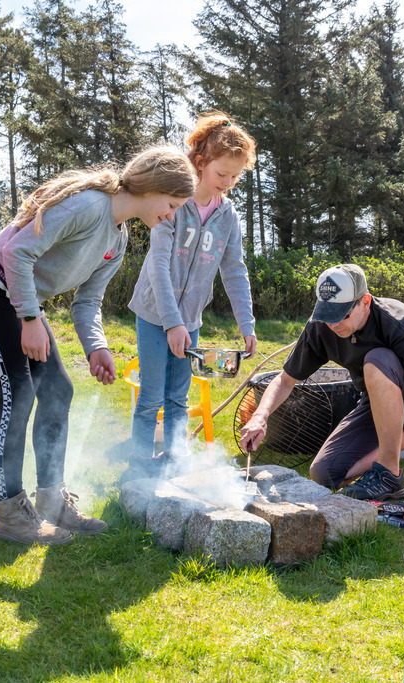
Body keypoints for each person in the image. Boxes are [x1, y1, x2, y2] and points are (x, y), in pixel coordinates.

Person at [0, 146, 197, 545]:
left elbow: (87, 303)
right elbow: (18, 253)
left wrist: (96, 347)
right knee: (18, 393)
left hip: (21, 301)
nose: (171, 215)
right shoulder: (89, 206)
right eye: (172, 205)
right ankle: (9, 513)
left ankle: (51, 501)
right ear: (154, 187)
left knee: (58, 390)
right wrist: (31, 320)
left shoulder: (118, 240)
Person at [239, 264, 404, 523]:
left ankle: (389, 475)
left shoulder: (401, 324)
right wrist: (260, 416)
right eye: (327, 314)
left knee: (377, 360)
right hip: (379, 399)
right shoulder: (321, 327)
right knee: (325, 473)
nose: (332, 324)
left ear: (364, 301)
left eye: (341, 315)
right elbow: (285, 381)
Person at [127, 112, 257, 474]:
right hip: (155, 314)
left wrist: (246, 323)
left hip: (191, 320)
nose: (228, 183)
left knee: (178, 397)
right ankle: (138, 468)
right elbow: (158, 266)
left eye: (235, 177)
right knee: (151, 394)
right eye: (221, 174)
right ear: (200, 164)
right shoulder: (173, 203)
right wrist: (171, 323)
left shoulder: (227, 216)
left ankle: (174, 463)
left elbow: (234, 270)